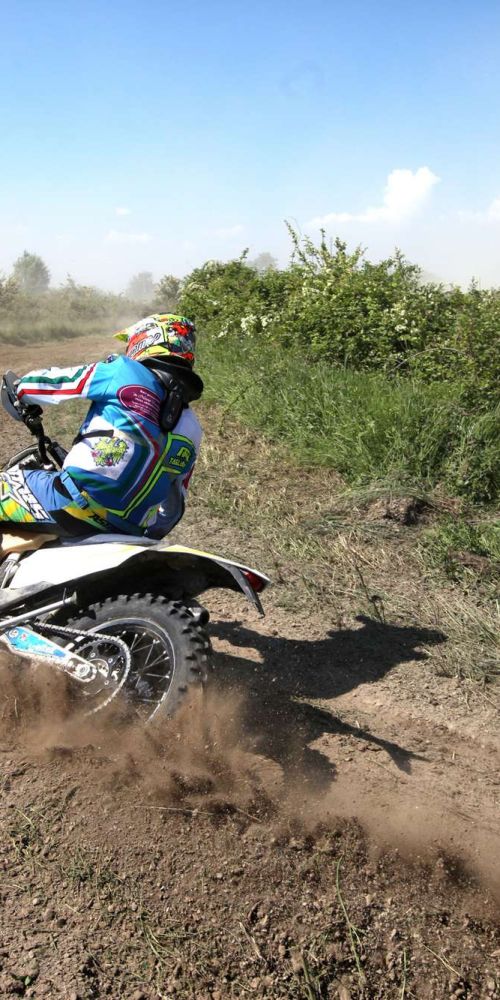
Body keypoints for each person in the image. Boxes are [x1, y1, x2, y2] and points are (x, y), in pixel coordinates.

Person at [0, 314, 203, 538]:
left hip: (71, 504)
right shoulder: (193, 428)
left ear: (146, 340)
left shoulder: (123, 371)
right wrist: (148, 538)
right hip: (130, 532)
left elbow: (57, 382)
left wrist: (19, 390)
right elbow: (173, 510)